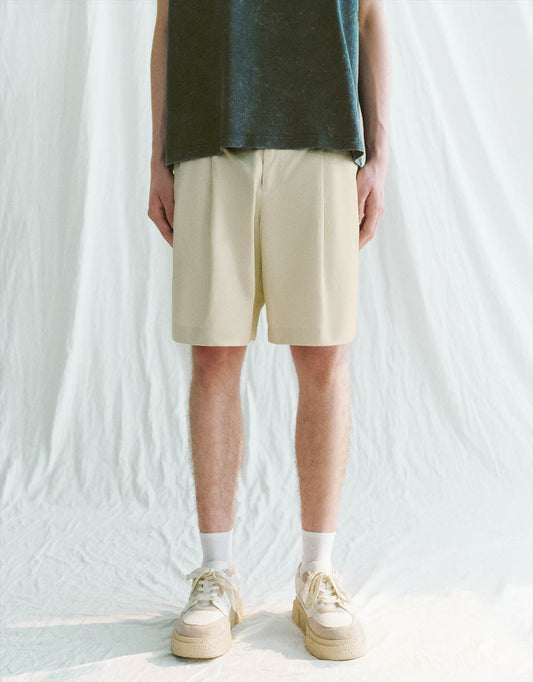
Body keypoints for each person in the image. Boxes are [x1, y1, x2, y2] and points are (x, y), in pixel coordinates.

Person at [148, 0, 390, 662]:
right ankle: (216, 574)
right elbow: (167, 19)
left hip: (323, 136)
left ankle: (318, 572)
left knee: (323, 357)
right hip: (209, 135)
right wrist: (158, 155)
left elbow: (370, 17)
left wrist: (377, 154)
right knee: (213, 356)